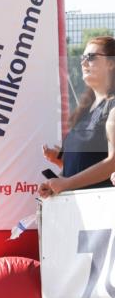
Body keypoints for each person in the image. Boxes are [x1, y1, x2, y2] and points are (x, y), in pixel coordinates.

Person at [40, 36, 115, 198]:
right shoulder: (86, 110)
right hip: (76, 210)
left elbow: (112, 162)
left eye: (91, 57)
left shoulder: (113, 106)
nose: (83, 62)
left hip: (101, 210)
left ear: (111, 63)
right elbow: (85, 164)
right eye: (82, 57)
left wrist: (67, 183)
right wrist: (57, 179)